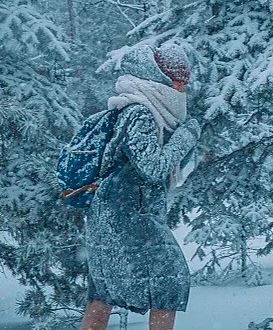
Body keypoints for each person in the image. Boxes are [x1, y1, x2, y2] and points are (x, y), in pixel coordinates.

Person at [81, 43, 201, 330]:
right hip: (128, 213)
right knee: (169, 281)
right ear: (157, 78)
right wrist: (186, 138)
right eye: (176, 80)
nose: (181, 88)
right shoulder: (141, 113)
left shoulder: (136, 108)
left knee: (103, 289)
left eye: (183, 81)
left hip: (114, 211)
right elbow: (152, 168)